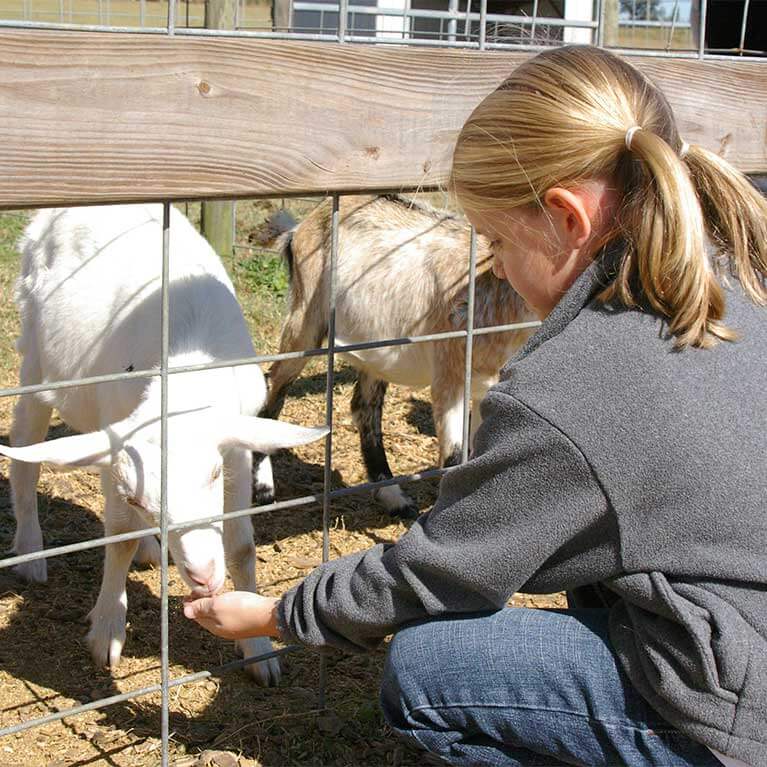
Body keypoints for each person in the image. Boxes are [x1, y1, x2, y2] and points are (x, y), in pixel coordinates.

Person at [183, 45, 767, 767]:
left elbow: (443, 568)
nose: (491, 259)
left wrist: (279, 611)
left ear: (565, 218)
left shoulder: (570, 385)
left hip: (741, 703)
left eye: (492, 239)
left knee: (432, 669)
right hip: (743, 629)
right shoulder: (733, 269)